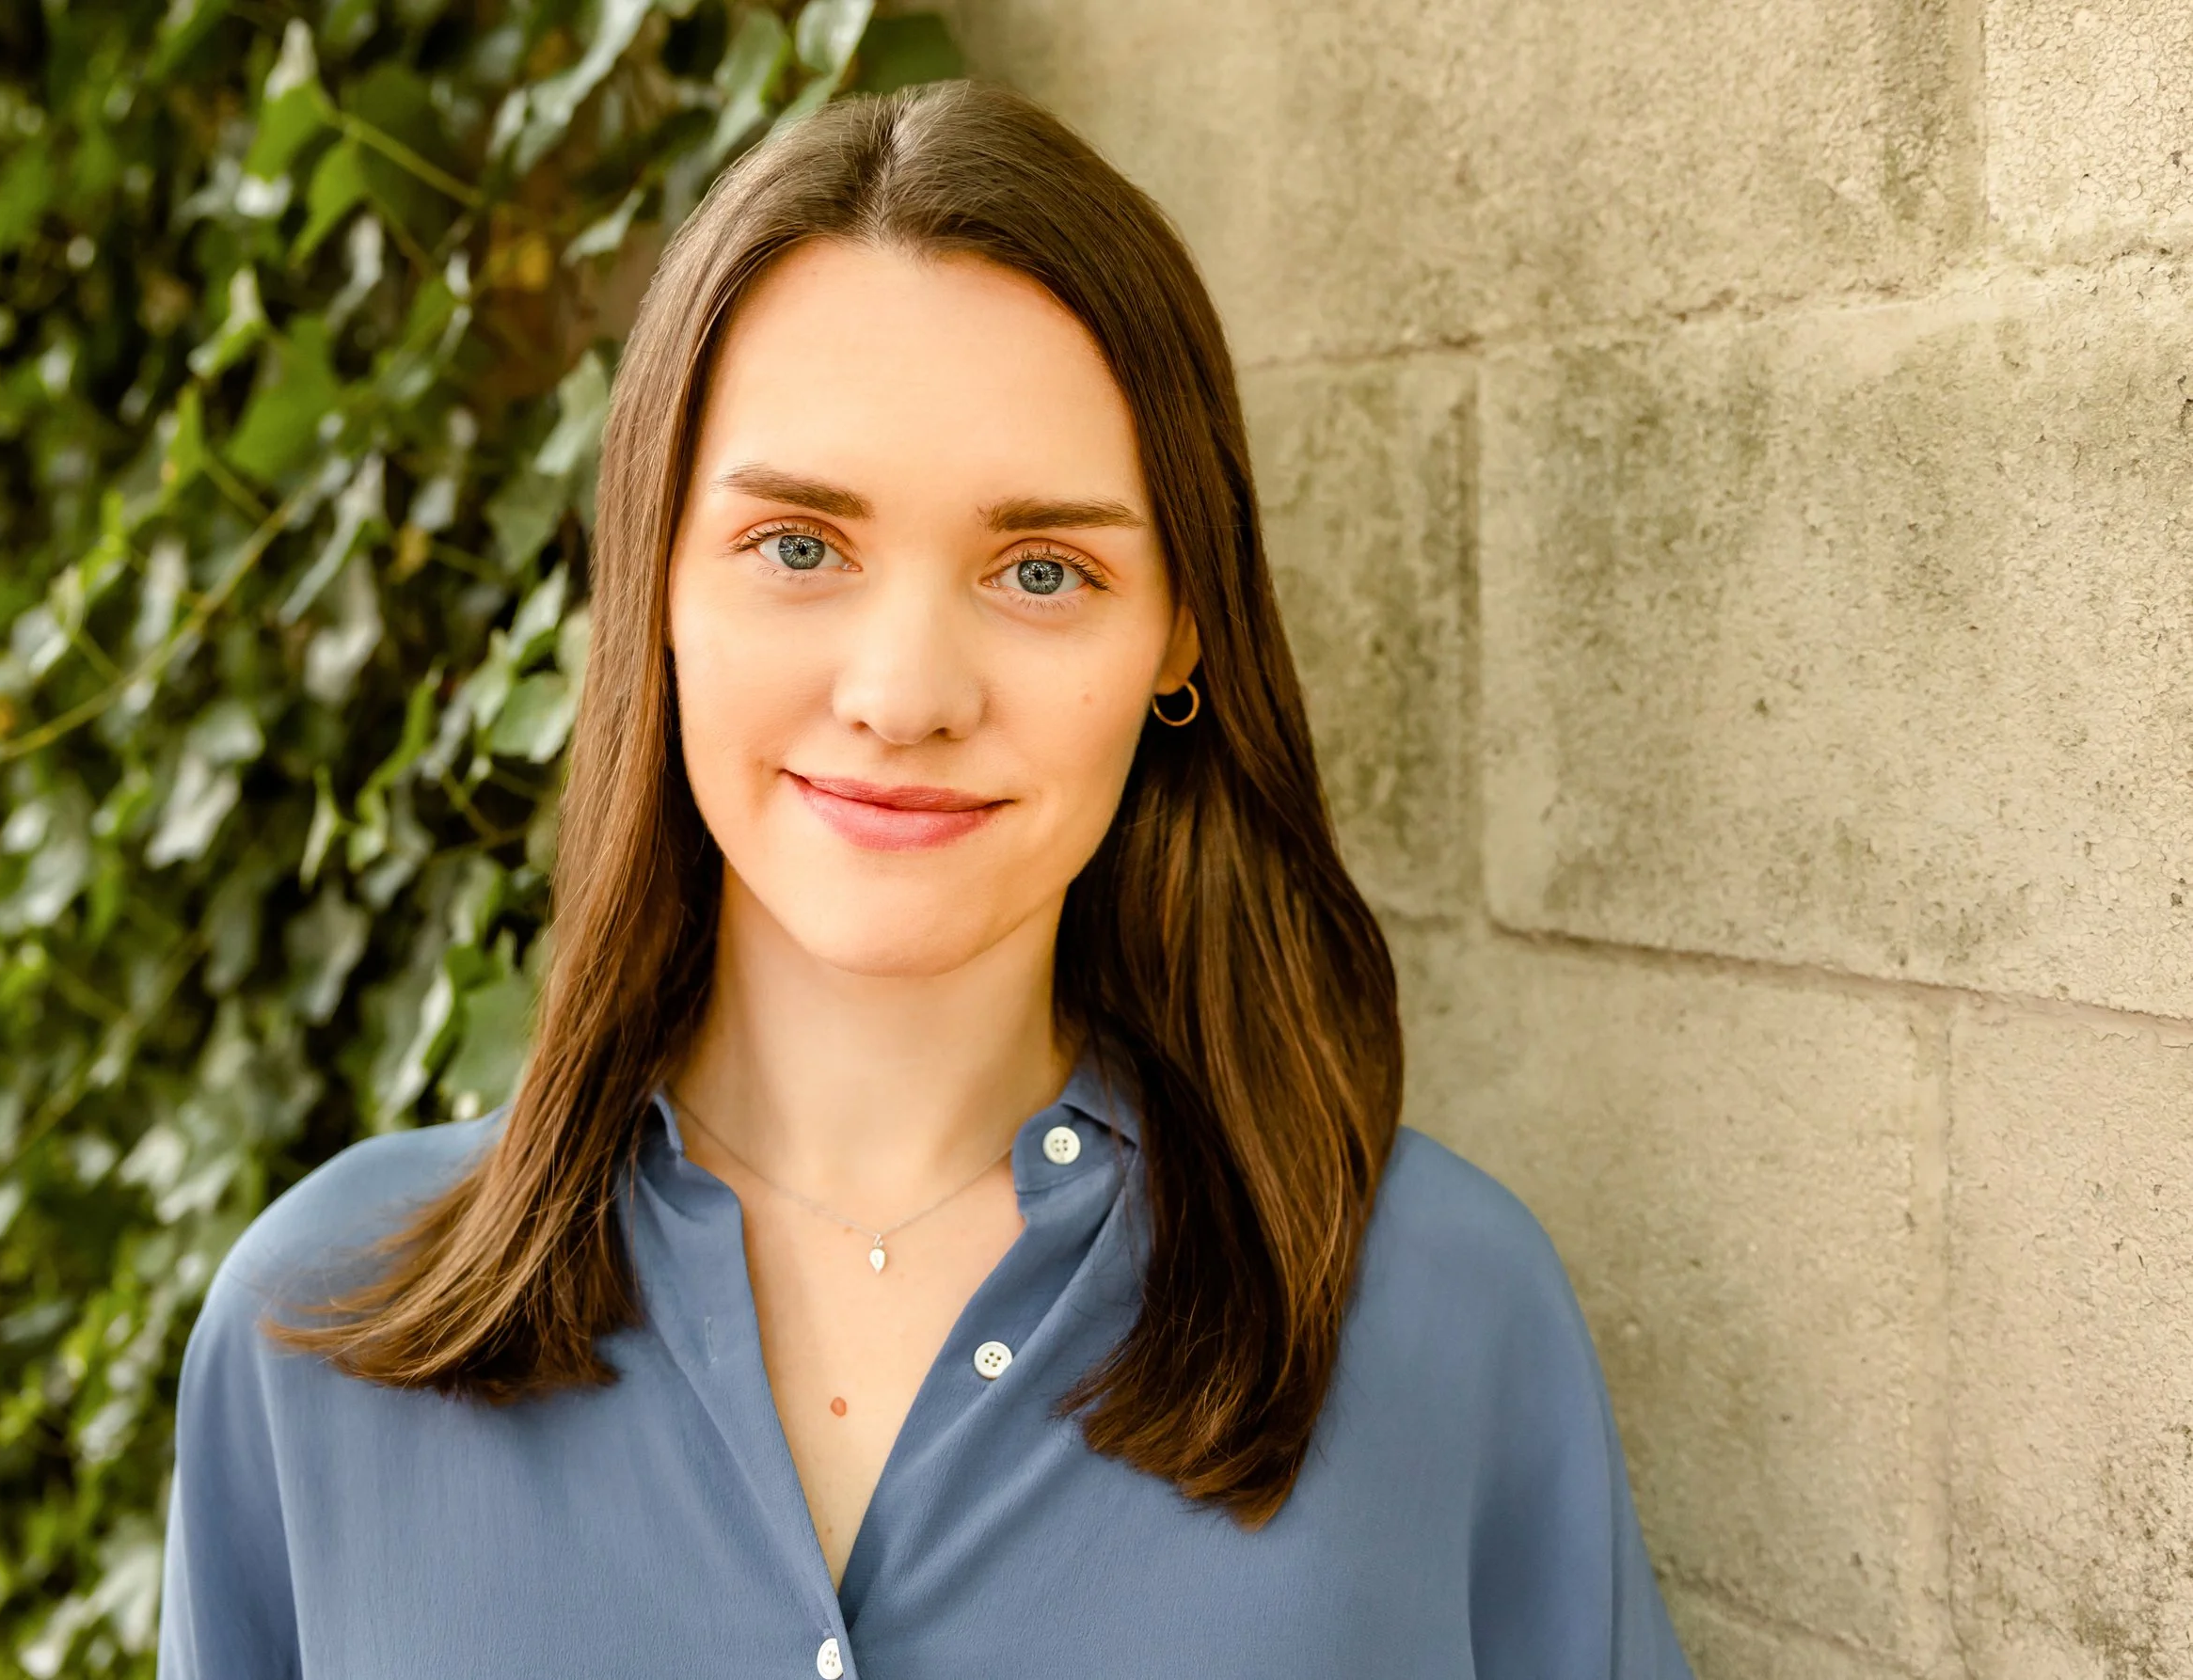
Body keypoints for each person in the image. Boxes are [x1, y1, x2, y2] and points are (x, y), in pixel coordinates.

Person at [157, 80, 1693, 1679]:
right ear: (655, 585)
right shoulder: (315, 1340)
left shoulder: (1443, 1315)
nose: (904, 693)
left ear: (1180, 632)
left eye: (1042, 570)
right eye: (801, 547)